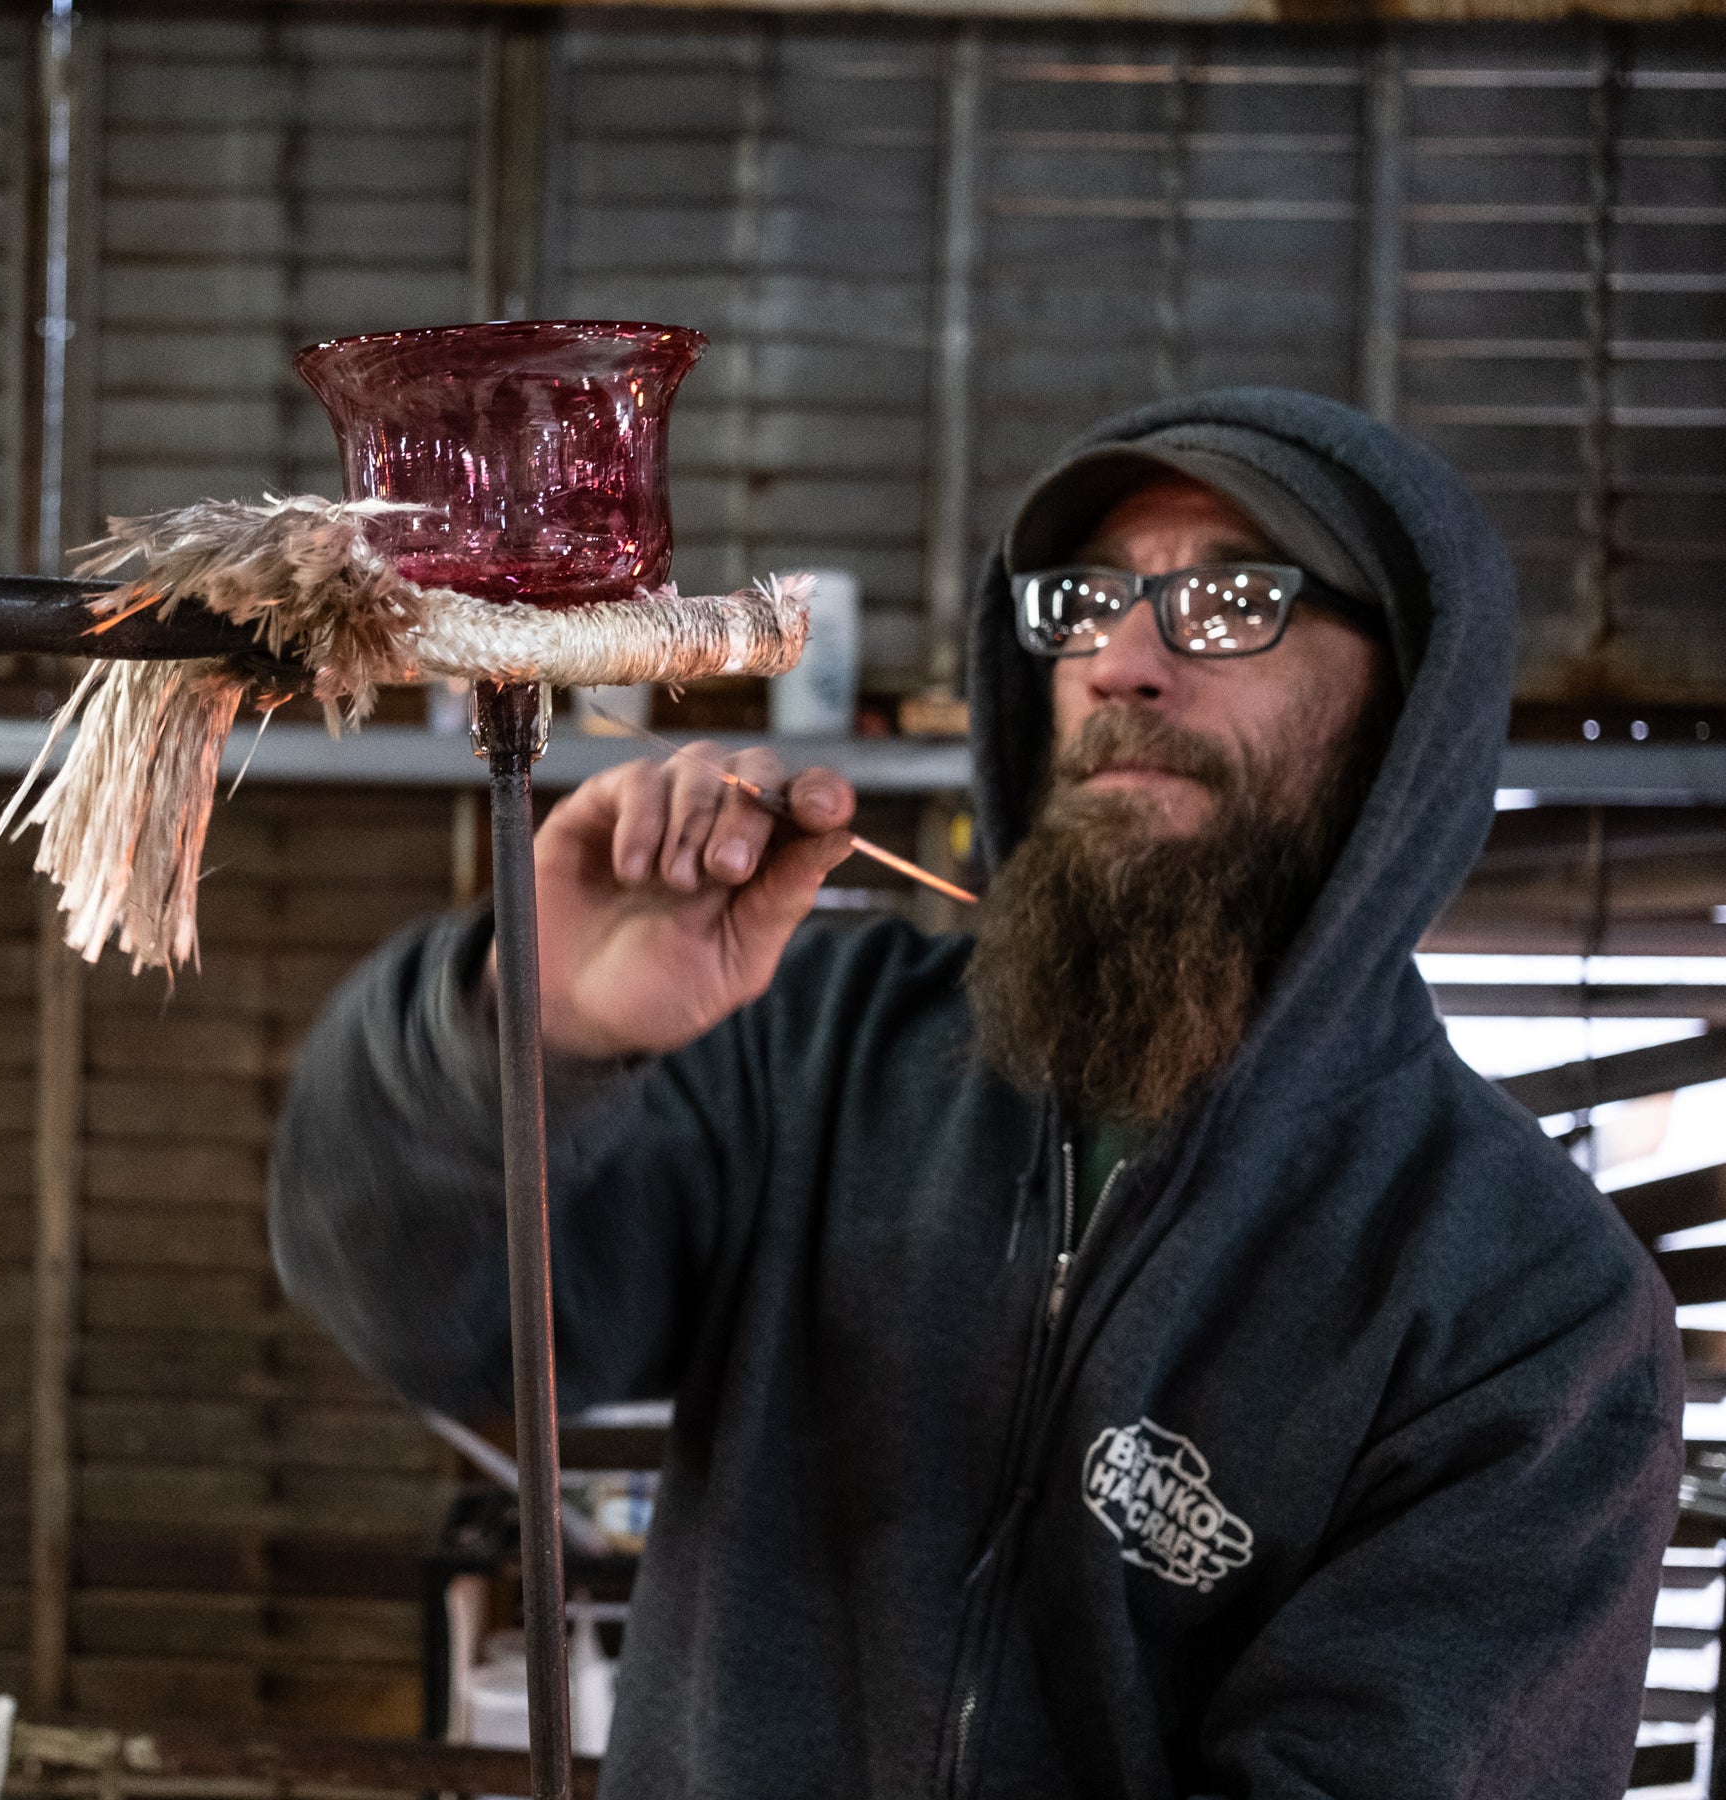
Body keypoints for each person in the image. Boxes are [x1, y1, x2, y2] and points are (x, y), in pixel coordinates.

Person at [269, 388, 1681, 1799]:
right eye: (1086, 600)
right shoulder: (812, 1045)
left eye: (1233, 598)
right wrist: (538, 1032)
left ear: (1406, 706)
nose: (1124, 659)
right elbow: (440, 1316)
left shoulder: (1525, 1316)